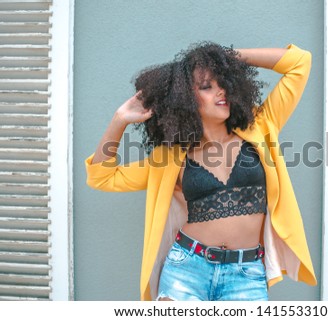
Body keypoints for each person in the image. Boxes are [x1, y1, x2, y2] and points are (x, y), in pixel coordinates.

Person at [85, 42, 316, 301]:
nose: (221, 91)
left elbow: (299, 63)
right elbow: (102, 176)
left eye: (223, 81)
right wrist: (119, 120)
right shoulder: (171, 157)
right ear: (185, 99)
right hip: (186, 270)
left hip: (246, 274)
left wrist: (227, 58)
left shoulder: (261, 126)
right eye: (207, 86)